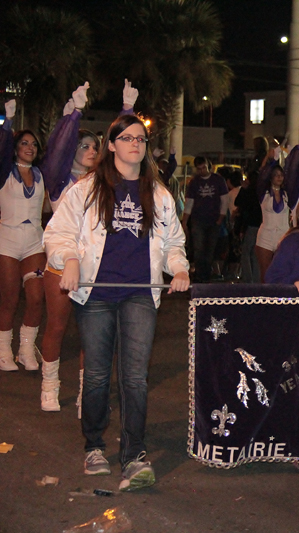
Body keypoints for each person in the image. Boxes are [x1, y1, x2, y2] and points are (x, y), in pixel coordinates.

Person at [43, 114, 190, 491]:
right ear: (111, 144)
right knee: (95, 375)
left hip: (140, 293)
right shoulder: (87, 189)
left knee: (135, 378)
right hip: (95, 295)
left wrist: (179, 269)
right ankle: (94, 446)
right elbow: (57, 233)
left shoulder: (158, 193)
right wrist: (70, 260)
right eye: (126, 138)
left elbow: (174, 243)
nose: (135, 144)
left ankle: (134, 455)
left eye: (140, 138)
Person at [40, 81, 138, 412]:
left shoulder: (104, 182)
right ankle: (49, 386)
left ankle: (87, 393)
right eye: (84, 146)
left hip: (95, 268)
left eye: (95, 146)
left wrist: (127, 111)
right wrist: (75, 113)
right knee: (56, 326)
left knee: (93, 338)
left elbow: (124, 149)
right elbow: (56, 151)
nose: (92, 151)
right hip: (60, 265)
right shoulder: (57, 178)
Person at [0, 99, 46, 374]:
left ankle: (26, 348)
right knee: (8, 299)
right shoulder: (4, 172)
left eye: (33, 144)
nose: (29, 148)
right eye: (24, 143)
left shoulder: (42, 174)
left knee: (37, 297)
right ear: (16, 147)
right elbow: (2, 150)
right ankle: (3, 349)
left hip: (33, 242)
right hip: (7, 240)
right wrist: (8, 123)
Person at [181, 156, 229, 282]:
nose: (202, 171)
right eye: (199, 169)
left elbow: (224, 201)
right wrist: (185, 220)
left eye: (204, 168)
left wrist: (220, 218)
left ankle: (205, 275)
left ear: (208, 166)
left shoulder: (218, 180)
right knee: (198, 248)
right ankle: (200, 275)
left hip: (213, 220)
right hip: (198, 219)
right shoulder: (194, 182)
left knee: (209, 249)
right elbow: (189, 202)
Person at [254, 164, 290, 279]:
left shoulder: (287, 194)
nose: (279, 178)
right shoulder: (263, 193)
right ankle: (265, 296)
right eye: (275, 175)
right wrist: (272, 160)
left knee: (283, 271)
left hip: (283, 235)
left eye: (281, 175)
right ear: (270, 177)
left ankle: (281, 296)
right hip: (266, 236)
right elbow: (261, 178)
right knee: (265, 273)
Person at [235, 172, 262, 283]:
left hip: (250, 225)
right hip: (260, 224)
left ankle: (248, 278)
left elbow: (239, 203)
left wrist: (243, 189)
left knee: (246, 251)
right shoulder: (260, 191)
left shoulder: (248, 192)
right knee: (254, 253)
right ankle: (255, 278)